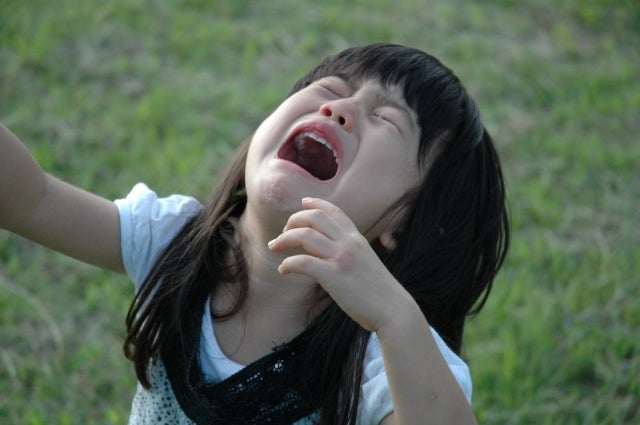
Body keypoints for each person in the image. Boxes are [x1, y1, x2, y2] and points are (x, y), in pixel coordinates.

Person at [0, 43, 509, 425]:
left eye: (385, 120)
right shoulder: (173, 241)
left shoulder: (389, 360)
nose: (339, 108)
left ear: (407, 225)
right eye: (331, 89)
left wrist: (395, 315)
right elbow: (32, 201)